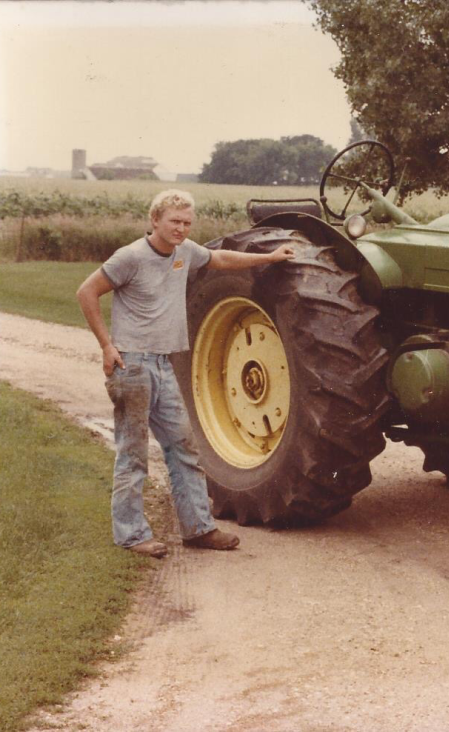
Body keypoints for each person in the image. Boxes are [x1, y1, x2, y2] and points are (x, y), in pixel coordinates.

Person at [77, 189, 295, 558]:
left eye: (187, 223)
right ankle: (131, 535)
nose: (181, 228)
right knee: (132, 454)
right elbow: (87, 292)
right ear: (155, 220)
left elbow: (222, 259)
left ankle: (198, 529)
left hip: (164, 364)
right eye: (174, 221)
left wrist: (270, 256)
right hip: (132, 365)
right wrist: (107, 346)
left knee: (184, 447)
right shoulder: (130, 257)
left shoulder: (185, 252)